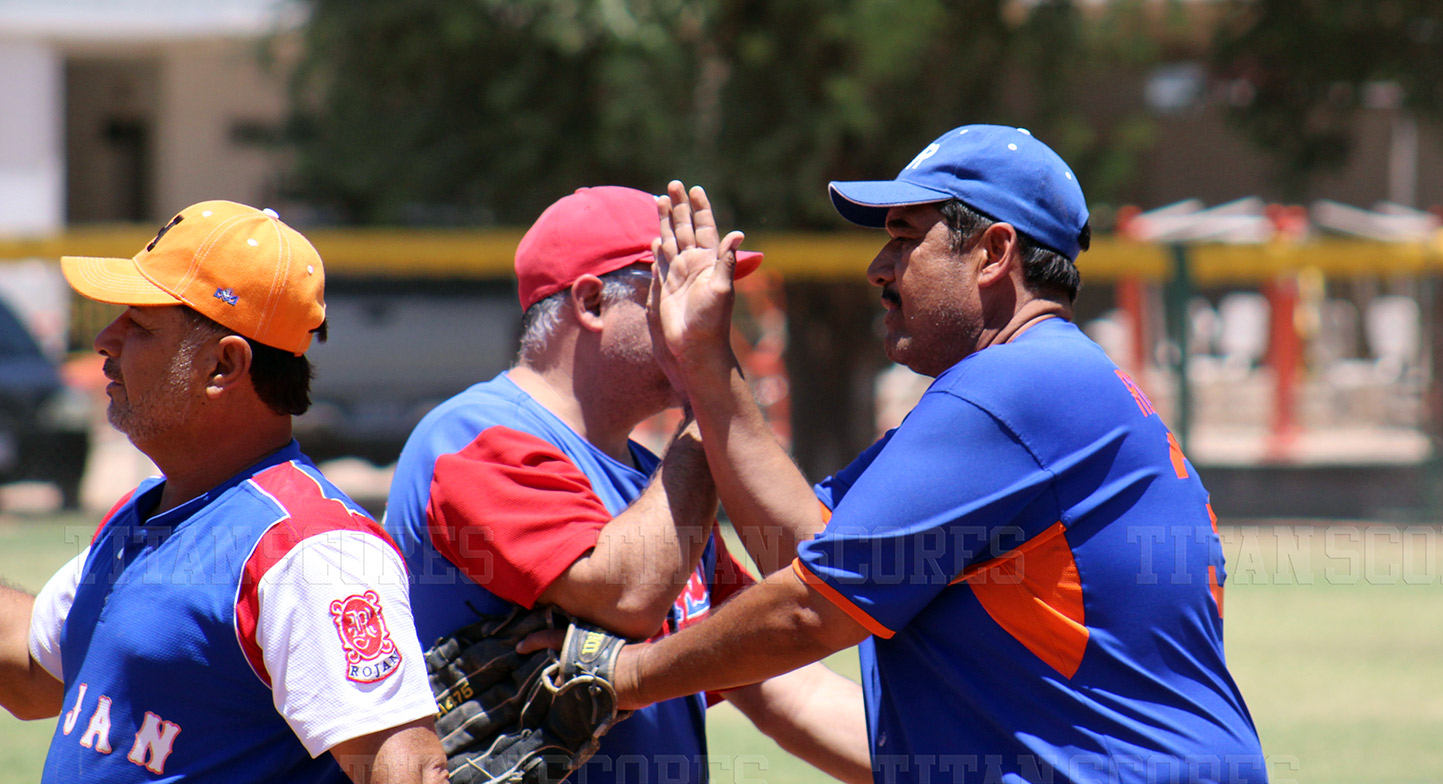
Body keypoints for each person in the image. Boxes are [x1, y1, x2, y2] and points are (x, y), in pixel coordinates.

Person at [574, 126, 1269, 784]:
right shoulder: (1046, 386)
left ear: (993, 252)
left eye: (906, 238)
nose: (878, 268)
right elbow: (807, 551)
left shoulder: (1015, 388)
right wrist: (705, 363)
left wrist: (618, 679)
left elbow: (811, 610)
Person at [384, 186, 869, 784]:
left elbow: (785, 689)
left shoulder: (657, 479)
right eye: (675, 290)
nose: (704, 313)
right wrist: (707, 393)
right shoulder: (473, 436)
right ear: (591, 301)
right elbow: (627, 594)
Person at [0, 201, 446, 784]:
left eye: (141, 325)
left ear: (223, 364)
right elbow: (31, 673)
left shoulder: (309, 547)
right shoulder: (148, 510)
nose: (107, 340)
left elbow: (408, 771)